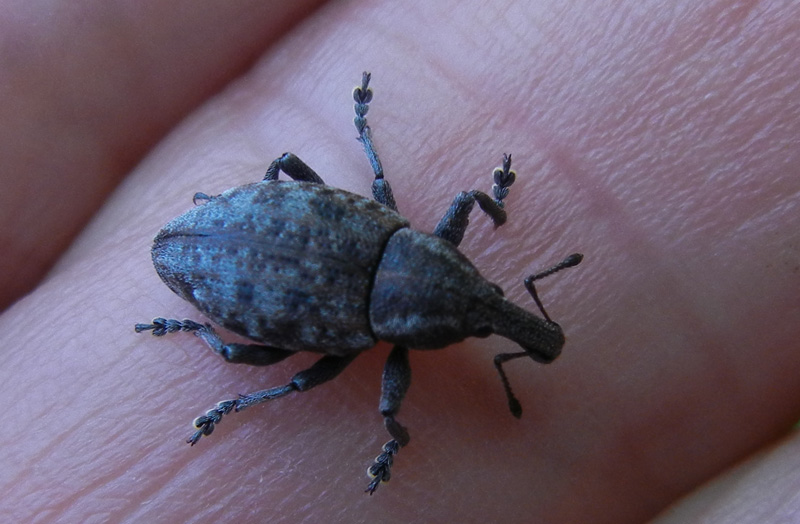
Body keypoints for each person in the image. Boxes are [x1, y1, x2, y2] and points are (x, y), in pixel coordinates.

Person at [1, 2, 798, 522]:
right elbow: (310, 344)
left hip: (274, 244)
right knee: (257, 365)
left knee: (284, 312)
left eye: (480, 300)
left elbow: (339, 176)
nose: (492, 303)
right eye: (484, 294)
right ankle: (192, 332)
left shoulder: (408, 250)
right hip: (227, 256)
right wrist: (385, 431)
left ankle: (202, 338)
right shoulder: (393, 301)